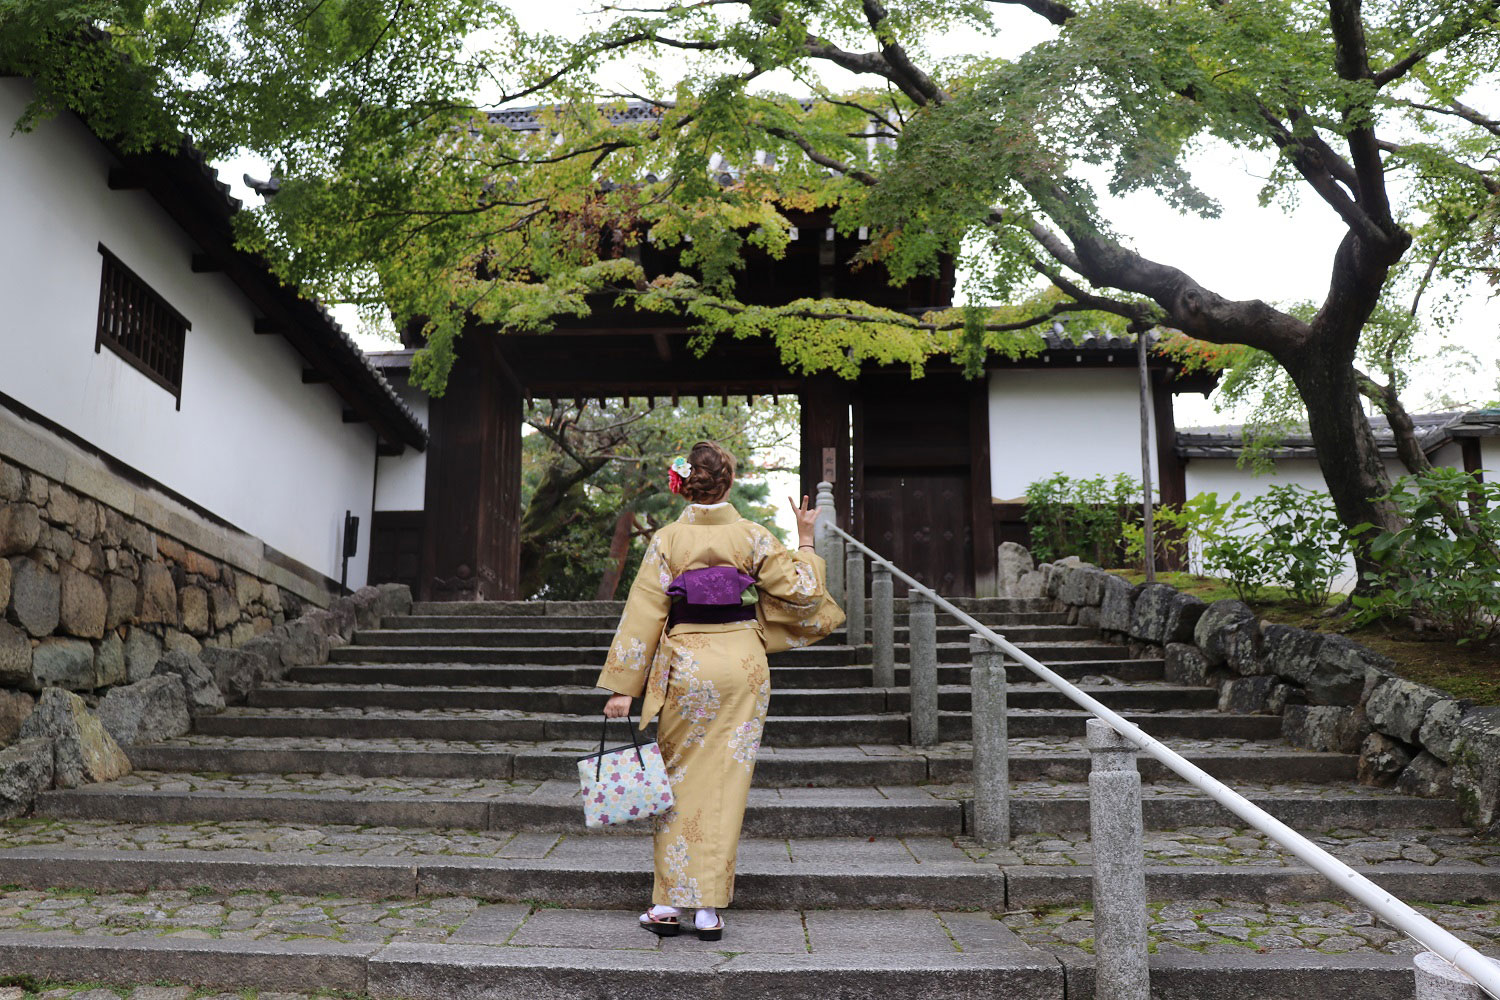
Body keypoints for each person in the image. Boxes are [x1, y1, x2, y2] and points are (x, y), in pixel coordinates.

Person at [596, 440, 844, 941]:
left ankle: (666, 904)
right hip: (741, 665)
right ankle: (708, 909)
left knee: (676, 780)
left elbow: (644, 613)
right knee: (725, 784)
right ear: (727, 483)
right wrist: (806, 539)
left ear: (685, 486)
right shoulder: (752, 536)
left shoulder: (667, 540)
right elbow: (803, 592)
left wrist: (624, 686)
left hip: (686, 666)